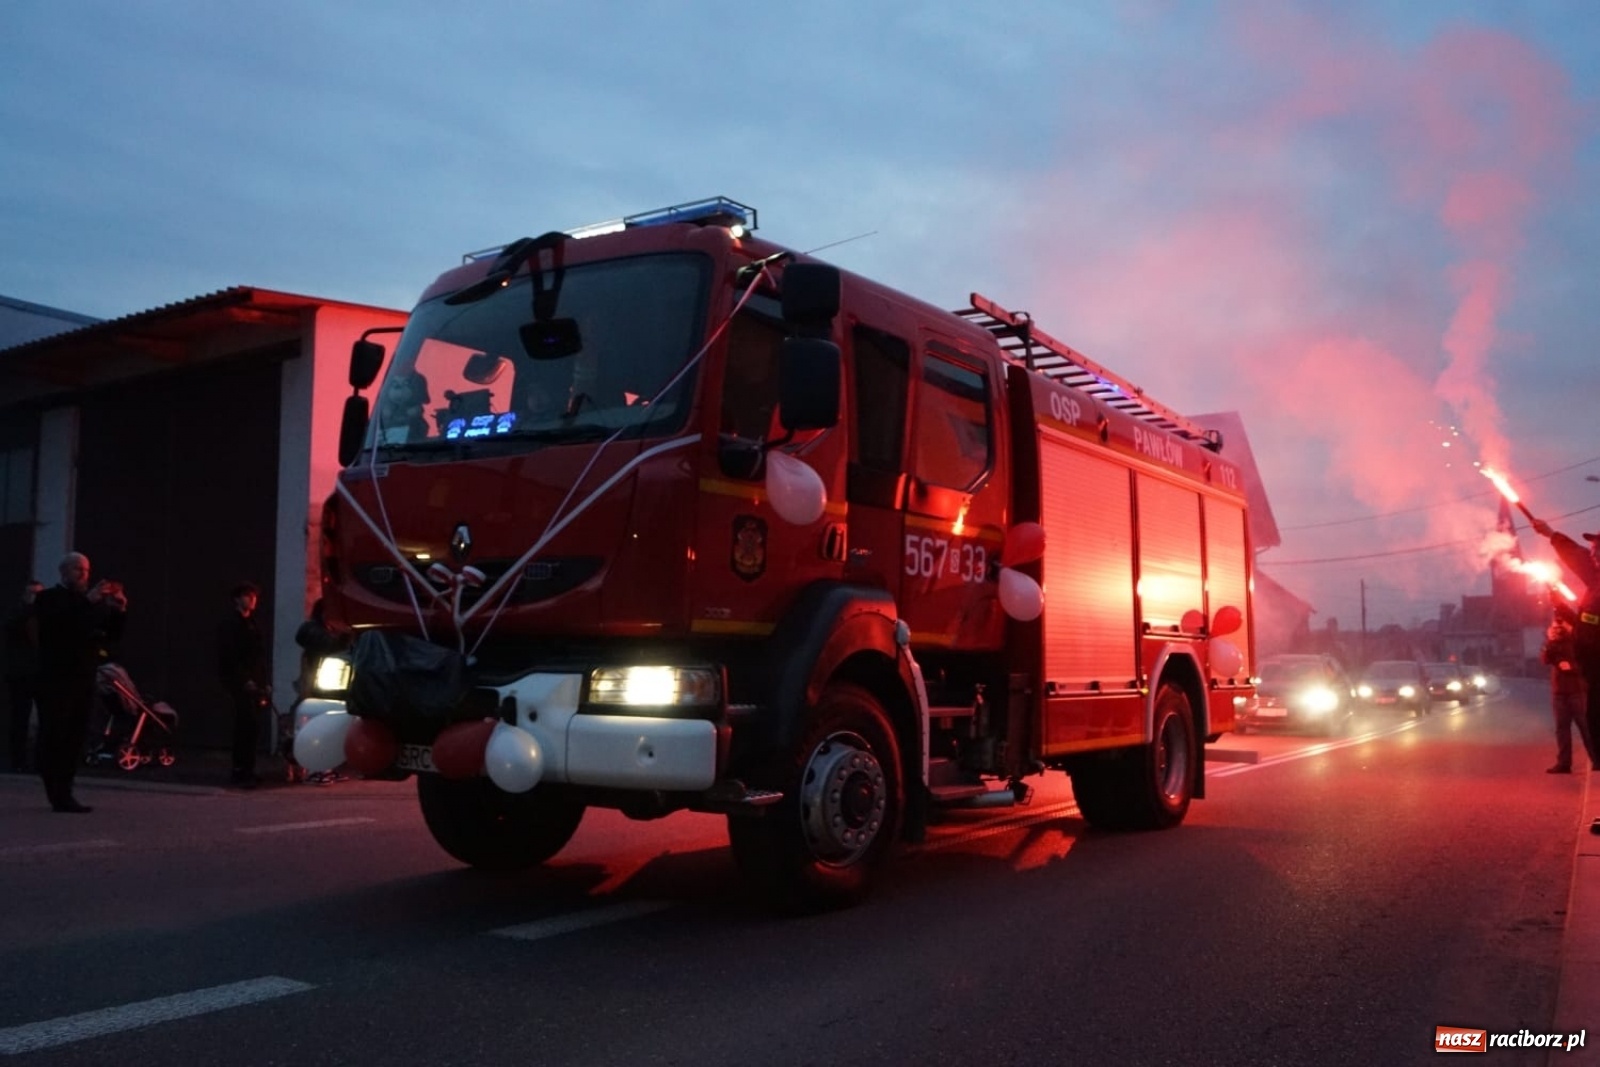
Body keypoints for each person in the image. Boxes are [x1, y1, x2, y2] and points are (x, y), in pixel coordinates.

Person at [31, 553, 126, 813]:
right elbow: (58, 625)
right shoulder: (49, 598)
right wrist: (88, 601)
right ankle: (55, 787)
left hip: (83, 678)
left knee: (76, 736)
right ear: (63, 571)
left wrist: (119, 611)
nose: (83, 574)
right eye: (77, 569)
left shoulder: (92, 604)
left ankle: (65, 791)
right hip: (55, 678)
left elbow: (110, 636)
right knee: (56, 733)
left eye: (86, 569)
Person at [1531, 519, 1600, 764]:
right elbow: (1588, 624)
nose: (1593, 553)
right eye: (1594, 548)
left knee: (1592, 721)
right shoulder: (1595, 584)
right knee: (1592, 721)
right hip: (1592, 670)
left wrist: (1551, 534)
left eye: (1598, 548)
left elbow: (1578, 557)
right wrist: (1562, 607)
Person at [216, 581, 268, 787]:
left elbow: (259, 655)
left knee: (253, 726)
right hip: (239, 682)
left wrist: (264, 681)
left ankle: (249, 768)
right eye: (248, 595)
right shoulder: (231, 625)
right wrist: (244, 679)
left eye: (254, 596)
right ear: (237, 599)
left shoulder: (253, 623)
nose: (253, 599)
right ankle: (239, 770)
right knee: (244, 724)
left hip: (255, 681)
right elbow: (230, 656)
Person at [1540, 614, 1594, 773]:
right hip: (1559, 692)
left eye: (1561, 625)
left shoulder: (1576, 642)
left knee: (1586, 728)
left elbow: (1586, 665)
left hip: (1577, 691)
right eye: (1556, 626)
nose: (1559, 628)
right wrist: (1550, 640)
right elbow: (1545, 659)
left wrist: (1570, 667)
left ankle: (1597, 759)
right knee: (1562, 729)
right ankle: (1564, 763)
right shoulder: (1553, 643)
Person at [4, 580, 43, 772]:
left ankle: (38, 761)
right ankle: (18, 761)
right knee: (20, 717)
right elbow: (11, 628)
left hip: (41, 672)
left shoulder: (46, 617)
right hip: (22, 674)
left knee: (45, 719)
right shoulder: (17, 614)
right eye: (32, 594)